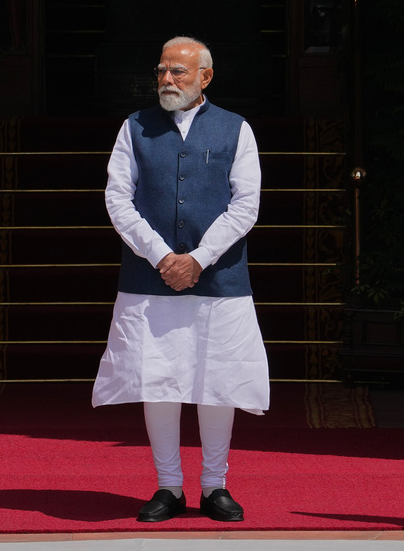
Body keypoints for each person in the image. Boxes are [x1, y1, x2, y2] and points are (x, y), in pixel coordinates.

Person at [92, 36, 270, 523]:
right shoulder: (134, 128)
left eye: (179, 72)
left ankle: (215, 485)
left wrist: (199, 258)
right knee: (159, 379)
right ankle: (168, 486)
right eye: (162, 71)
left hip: (220, 280)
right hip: (150, 278)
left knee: (219, 381)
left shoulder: (237, 129)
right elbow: (117, 200)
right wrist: (162, 256)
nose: (167, 80)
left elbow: (246, 205)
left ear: (205, 78)